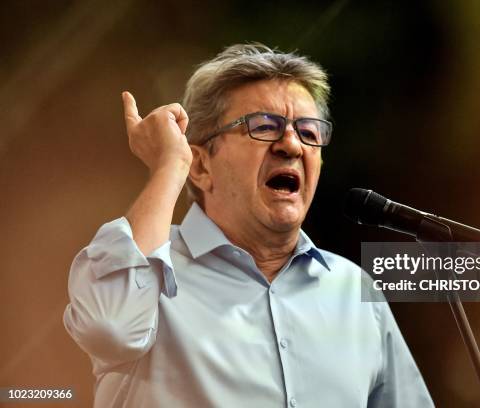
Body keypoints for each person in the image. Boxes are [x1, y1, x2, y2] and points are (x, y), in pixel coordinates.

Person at [63, 43, 433, 407]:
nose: (291, 145)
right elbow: (108, 329)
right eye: (264, 126)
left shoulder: (353, 290)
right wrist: (167, 168)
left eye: (308, 132)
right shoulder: (151, 272)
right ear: (201, 166)